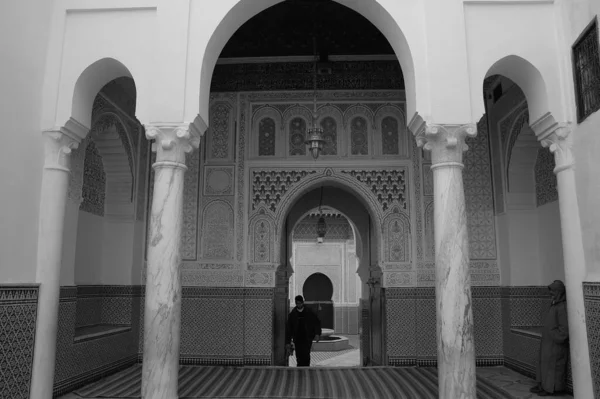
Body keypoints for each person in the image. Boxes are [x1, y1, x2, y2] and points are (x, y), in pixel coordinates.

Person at [530, 280, 569, 397]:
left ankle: (551, 389)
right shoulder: (554, 304)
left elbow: (564, 329)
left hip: (555, 344)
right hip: (548, 342)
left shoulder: (561, 307)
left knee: (553, 367)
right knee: (544, 364)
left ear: (559, 292)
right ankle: (543, 386)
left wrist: (555, 337)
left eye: (553, 291)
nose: (551, 293)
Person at [286, 295, 322, 367]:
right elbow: (289, 328)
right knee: (299, 354)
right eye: (297, 303)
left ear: (303, 302)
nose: (299, 305)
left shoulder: (309, 312)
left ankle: (306, 368)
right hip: (297, 338)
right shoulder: (293, 314)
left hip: (307, 337)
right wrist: (288, 341)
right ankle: (300, 368)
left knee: (306, 354)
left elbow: (316, 323)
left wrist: (317, 334)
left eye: (300, 303)